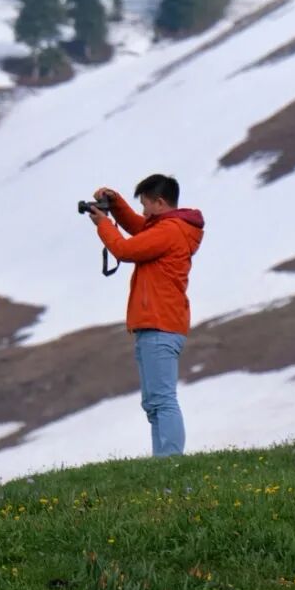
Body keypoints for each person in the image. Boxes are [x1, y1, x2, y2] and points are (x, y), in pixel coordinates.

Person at [87, 174, 204, 456]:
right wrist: (115, 203)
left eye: (145, 205)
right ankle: (163, 460)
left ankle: (171, 461)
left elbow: (125, 249)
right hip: (157, 325)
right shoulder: (170, 228)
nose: (143, 212)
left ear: (160, 203)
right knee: (154, 403)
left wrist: (103, 224)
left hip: (160, 325)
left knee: (162, 400)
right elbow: (140, 229)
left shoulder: (169, 231)